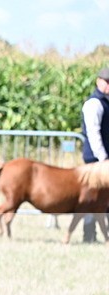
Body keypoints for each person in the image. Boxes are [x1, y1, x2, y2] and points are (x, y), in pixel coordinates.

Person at [81, 66, 109, 243]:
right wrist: (103, 159)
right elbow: (93, 133)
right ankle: (89, 235)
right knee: (93, 199)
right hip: (96, 161)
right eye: (107, 82)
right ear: (98, 81)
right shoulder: (94, 103)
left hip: (103, 161)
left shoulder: (105, 102)